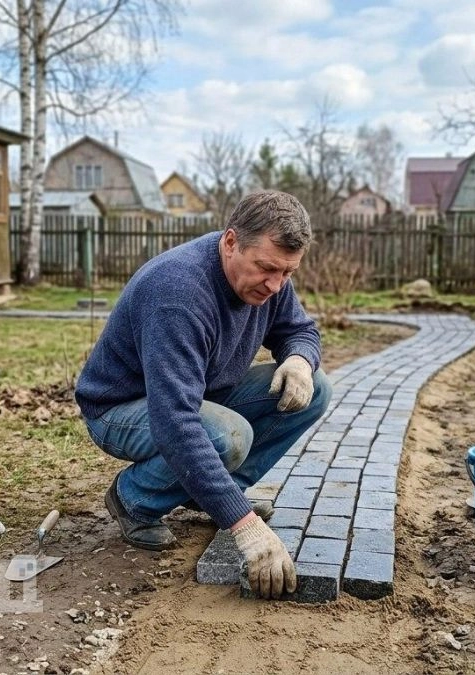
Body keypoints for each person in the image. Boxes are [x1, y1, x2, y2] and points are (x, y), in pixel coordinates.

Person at [75, 190, 332, 599]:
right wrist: (245, 526)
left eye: (288, 273)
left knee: (315, 389)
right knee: (226, 437)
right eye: (267, 269)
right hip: (120, 408)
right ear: (231, 242)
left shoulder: (272, 275)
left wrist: (300, 359)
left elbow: (299, 330)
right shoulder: (178, 294)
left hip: (201, 395)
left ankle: (207, 496)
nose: (276, 285)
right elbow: (175, 421)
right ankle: (134, 500)